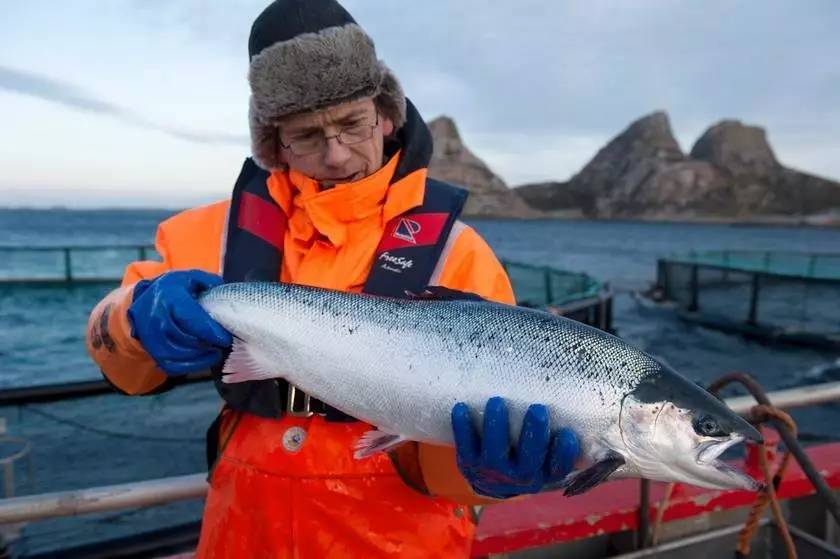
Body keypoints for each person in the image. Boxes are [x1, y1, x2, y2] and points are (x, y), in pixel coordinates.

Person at [86, 0, 579, 557]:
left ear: (386, 114)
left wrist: (486, 474)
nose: (338, 154)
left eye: (352, 124)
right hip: (244, 526)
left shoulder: (457, 253)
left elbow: (459, 455)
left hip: (399, 535)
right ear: (274, 142)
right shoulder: (208, 233)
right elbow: (121, 365)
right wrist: (134, 317)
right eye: (307, 135)